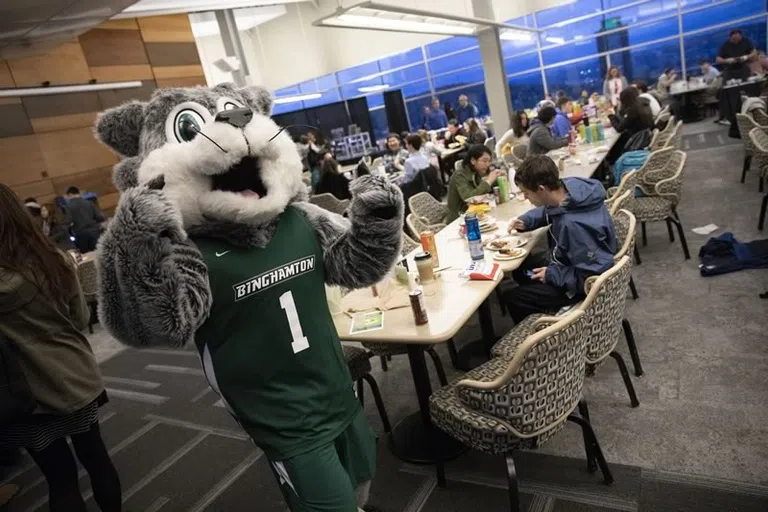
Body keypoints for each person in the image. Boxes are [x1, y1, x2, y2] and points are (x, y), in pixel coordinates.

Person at [0, 184, 121, 512]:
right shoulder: (53, 260)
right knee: (98, 461)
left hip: (24, 395)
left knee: (61, 481)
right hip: (72, 379)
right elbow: (81, 318)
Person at [501, 155, 616, 323]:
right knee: (523, 268)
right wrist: (526, 221)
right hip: (570, 261)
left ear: (541, 189)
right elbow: (549, 209)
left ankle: (547, 335)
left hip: (577, 285)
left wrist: (552, 274)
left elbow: (591, 278)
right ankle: (542, 300)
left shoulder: (574, 227)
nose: (525, 198)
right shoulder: (570, 188)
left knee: (513, 297)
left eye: (526, 193)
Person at [445, 145, 504, 222]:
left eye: (489, 161)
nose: (487, 164)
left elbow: (487, 191)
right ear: (473, 160)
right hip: (460, 219)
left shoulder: (476, 171)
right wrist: (488, 181)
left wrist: (498, 178)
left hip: (477, 213)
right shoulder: (459, 175)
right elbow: (469, 198)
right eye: (484, 161)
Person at [64, 187, 104, 253]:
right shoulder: (89, 203)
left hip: (81, 235)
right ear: (78, 193)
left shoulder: (68, 206)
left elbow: (68, 221)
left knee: (87, 257)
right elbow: (99, 217)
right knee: (98, 254)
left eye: (68, 197)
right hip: (94, 232)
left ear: (70, 194)